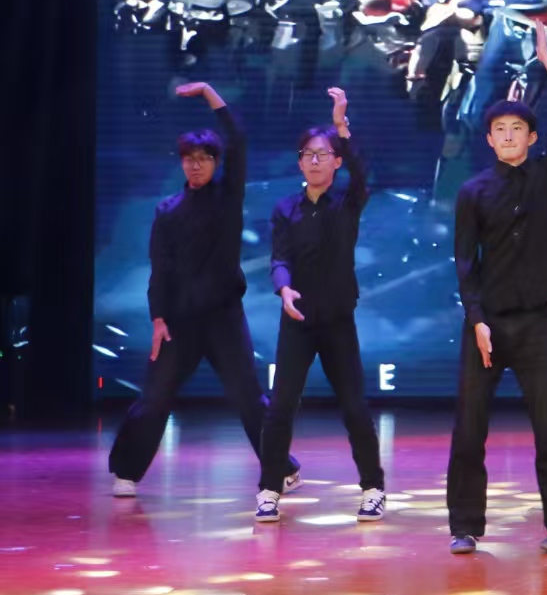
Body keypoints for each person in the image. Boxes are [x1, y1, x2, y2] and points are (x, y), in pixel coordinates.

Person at [109, 82, 299, 497]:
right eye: (189, 159)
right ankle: (126, 471)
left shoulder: (227, 197)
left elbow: (239, 139)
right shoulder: (167, 210)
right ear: (181, 163)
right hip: (179, 321)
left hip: (224, 317)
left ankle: (281, 467)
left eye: (204, 159)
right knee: (155, 397)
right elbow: (159, 270)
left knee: (248, 397)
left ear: (215, 162)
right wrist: (158, 317)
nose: (196, 166)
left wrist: (210, 93)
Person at [447, 20, 547, 554]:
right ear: (489, 138)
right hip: (485, 324)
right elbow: (465, 261)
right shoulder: (473, 191)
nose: (508, 135)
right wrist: (477, 319)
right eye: (499, 129)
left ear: (530, 136)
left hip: (536, 324)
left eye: (517, 128)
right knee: (469, 430)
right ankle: (464, 526)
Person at [255, 89, 386, 524]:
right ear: (299, 163)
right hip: (296, 320)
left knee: (354, 407)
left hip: (337, 320)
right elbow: (279, 258)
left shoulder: (348, 202)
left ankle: (373, 488)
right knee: (280, 407)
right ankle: (269, 489)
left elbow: (363, 171)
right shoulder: (285, 209)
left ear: (336, 162)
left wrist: (341, 124)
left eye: (323, 154)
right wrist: (284, 289)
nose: (314, 161)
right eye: (307, 155)